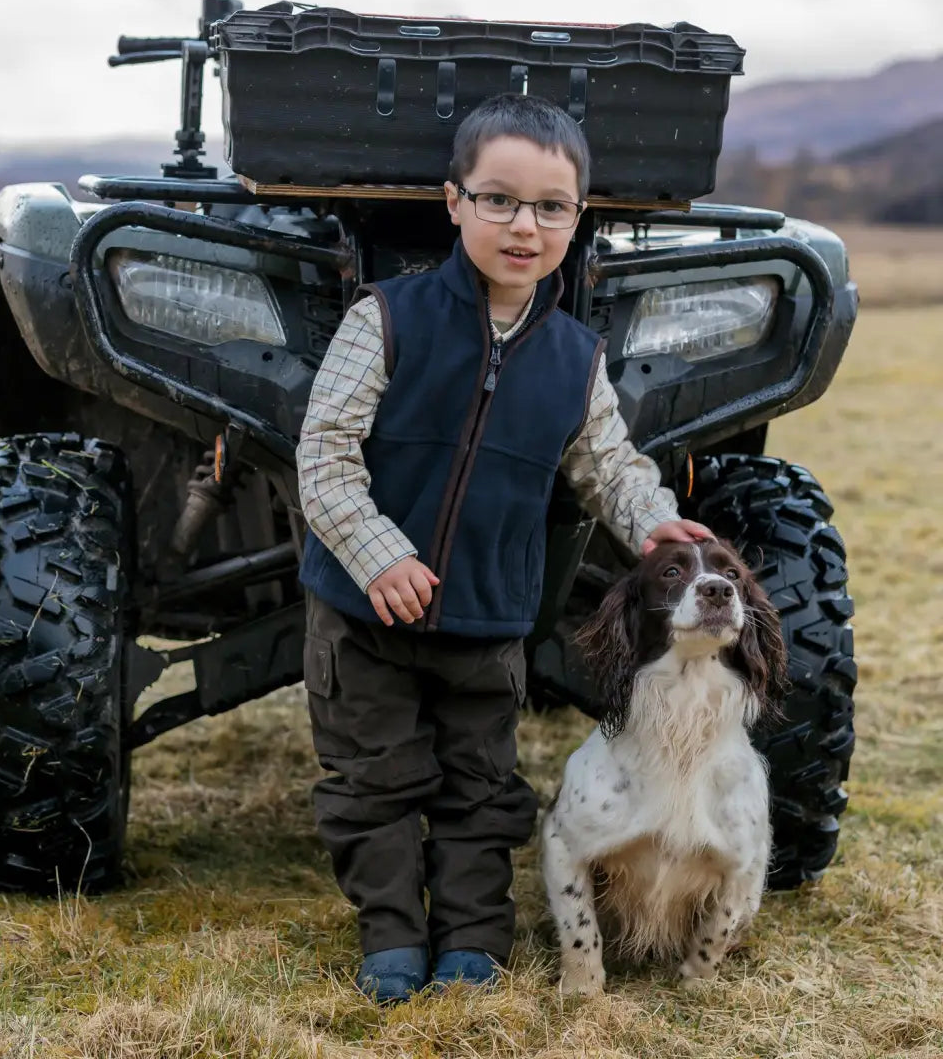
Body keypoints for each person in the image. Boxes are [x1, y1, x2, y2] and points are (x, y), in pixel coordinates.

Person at [295, 92, 712, 1004]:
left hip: (487, 619)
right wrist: (378, 555)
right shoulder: (387, 319)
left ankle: (473, 942)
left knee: (482, 787)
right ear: (455, 204)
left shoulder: (574, 356)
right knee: (375, 782)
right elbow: (323, 456)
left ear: (578, 217)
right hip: (366, 614)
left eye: (551, 207)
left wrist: (650, 522)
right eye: (499, 200)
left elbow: (610, 462)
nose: (525, 226)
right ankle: (394, 939)